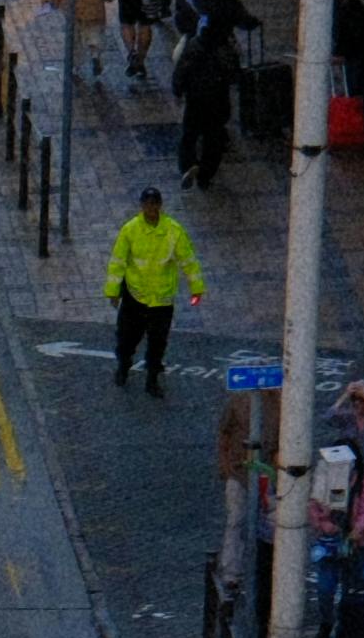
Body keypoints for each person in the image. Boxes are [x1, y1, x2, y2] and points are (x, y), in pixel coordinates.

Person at [104, 188, 204, 395]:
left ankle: (152, 379)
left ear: (160, 205)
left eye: (154, 204)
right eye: (147, 204)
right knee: (126, 339)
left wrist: (197, 288)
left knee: (158, 343)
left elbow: (188, 261)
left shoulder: (173, 231)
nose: (151, 209)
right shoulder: (130, 230)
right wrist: (113, 291)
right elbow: (117, 262)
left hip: (161, 300)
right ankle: (123, 366)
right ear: (142, 205)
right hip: (135, 297)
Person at [305, 435, 364, 638]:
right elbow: (314, 507)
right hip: (329, 542)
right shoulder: (323, 480)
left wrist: (356, 530)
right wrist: (324, 525)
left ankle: (346, 627)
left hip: (357, 543)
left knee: (351, 587)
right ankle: (327, 620)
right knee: (325, 588)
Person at [215, 380, 275, 595]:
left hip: (266, 473)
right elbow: (224, 432)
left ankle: (263, 570)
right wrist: (225, 465)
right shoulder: (237, 402)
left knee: (268, 523)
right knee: (236, 520)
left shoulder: (281, 406)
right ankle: (231, 572)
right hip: (238, 471)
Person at [174, 13, 238, 190]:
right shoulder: (225, 50)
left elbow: (181, 70)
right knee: (213, 139)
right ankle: (206, 174)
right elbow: (234, 75)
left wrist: (178, 89)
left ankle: (188, 165)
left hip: (195, 99)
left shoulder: (194, 46)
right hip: (218, 100)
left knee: (189, 135)